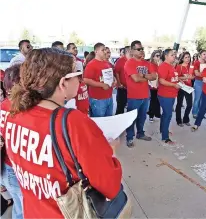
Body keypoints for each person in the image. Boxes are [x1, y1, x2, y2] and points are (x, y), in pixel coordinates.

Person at [2, 48, 125, 218]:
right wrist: (111, 151)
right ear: (63, 83)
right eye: (77, 74)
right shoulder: (73, 122)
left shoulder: (15, 114)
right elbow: (110, 185)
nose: (80, 81)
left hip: (33, 212)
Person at [0, 64, 24, 219]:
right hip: (14, 169)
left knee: (19, 206)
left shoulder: (4, 105)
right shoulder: (19, 108)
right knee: (23, 210)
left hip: (8, 167)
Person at [124, 40, 157, 148]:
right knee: (131, 119)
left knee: (142, 117)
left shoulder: (147, 63)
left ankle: (140, 133)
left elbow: (154, 76)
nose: (142, 51)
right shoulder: (129, 63)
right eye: (139, 49)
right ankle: (129, 138)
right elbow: (135, 79)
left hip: (145, 95)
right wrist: (145, 76)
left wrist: (142, 76)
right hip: (134, 96)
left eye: (142, 49)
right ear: (132, 51)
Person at [83, 43, 114, 117]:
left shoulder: (107, 63)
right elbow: (86, 80)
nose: (105, 52)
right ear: (96, 51)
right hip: (98, 99)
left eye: (105, 50)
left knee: (108, 121)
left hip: (109, 97)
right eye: (102, 50)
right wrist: (102, 85)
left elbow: (111, 76)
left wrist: (114, 80)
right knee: (98, 123)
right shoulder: (91, 64)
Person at [158, 49, 180, 144]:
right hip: (165, 95)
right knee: (168, 114)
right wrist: (174, 85)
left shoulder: (171, 66)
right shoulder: (164, 66)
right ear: (166, 56)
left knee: (165, 114)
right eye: (172, 55)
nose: (174, 56)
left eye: (174, 55)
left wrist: (179, 82)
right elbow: (162, 81)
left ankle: (163, 130)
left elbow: (173, 79)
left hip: (171, 94)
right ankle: (165, 137)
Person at [175, 52, 194, 127]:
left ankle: (186, 119)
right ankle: (179, 120)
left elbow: (193, 76)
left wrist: (192, 77)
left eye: (188, 57)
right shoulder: (179, 66)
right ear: (182, 58)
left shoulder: (191, 66)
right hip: (181, 87)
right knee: (179, 104)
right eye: (186, 57)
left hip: (189, 87)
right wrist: (186, 77)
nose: (188, 59)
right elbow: (177, 77)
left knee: (189, 104)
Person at [192, 49, 206, 118]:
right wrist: (205, 74)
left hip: (205, 82)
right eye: (204, 54)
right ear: (200, 55)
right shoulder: (197, 63)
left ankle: (200, 113)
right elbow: (196, 73)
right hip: (198, 82)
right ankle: (195, 113)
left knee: (203, 99)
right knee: (197, 98)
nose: (205, 56)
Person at [115, 46, 131, 115]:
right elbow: (116, 72)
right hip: (122, 88)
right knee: (120, 107)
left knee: (130, 107)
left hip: (131, 89)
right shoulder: (121, 60)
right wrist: (119, 83)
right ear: (127, 51)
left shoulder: (133, 60)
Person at [147, 50, 162, 122]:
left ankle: (157, 113)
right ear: (153, 57)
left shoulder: (159, 64)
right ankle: (151, 115)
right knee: (153, 100)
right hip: (153, 85)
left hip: (159, 85)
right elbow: (153, 75)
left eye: (159, 56)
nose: (159, 57)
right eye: (157, 56)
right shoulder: (151, 64)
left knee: (157, 100)